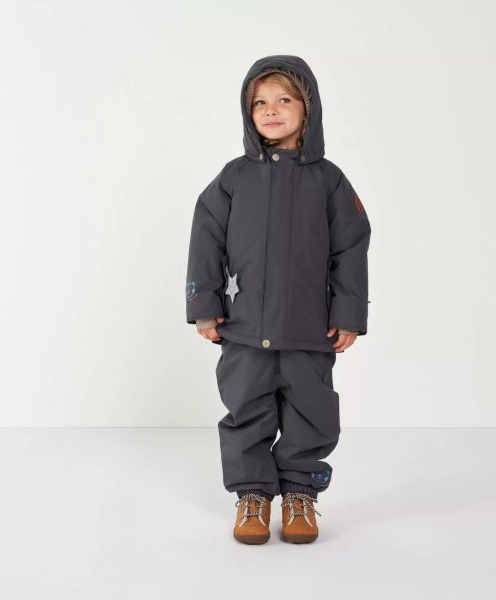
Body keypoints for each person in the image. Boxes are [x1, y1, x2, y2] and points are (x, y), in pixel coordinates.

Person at [185, 55, 371, 544]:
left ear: (308, 108)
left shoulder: (329, 180)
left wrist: (348, 314)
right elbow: (206, 241)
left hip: (309, 328)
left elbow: (351, 248)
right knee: (246, 410)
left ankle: (299, 496)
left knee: (311, 413)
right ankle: (251, 495)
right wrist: (204, 306)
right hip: (243, 328)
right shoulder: (233, 179)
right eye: (259, 102)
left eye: (284, 99)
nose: (270, 110)